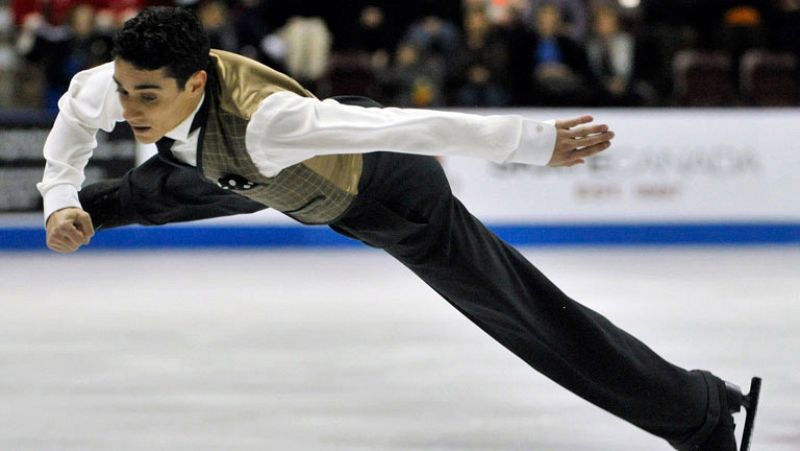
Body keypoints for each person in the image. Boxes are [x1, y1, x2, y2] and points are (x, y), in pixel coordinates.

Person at [38, 7, 760, 451]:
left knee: (523, 314)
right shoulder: (116, 84)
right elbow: (73, 121)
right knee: (164, 185)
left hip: (386, 190)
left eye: (147, 95)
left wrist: (531, 143)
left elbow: (406, 125)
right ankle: (94, 211)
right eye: (125, 89)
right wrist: (60, 198)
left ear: (195, 84)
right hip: (266, 175)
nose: (129, 107)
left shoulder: (274, 122)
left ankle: (696, 410)